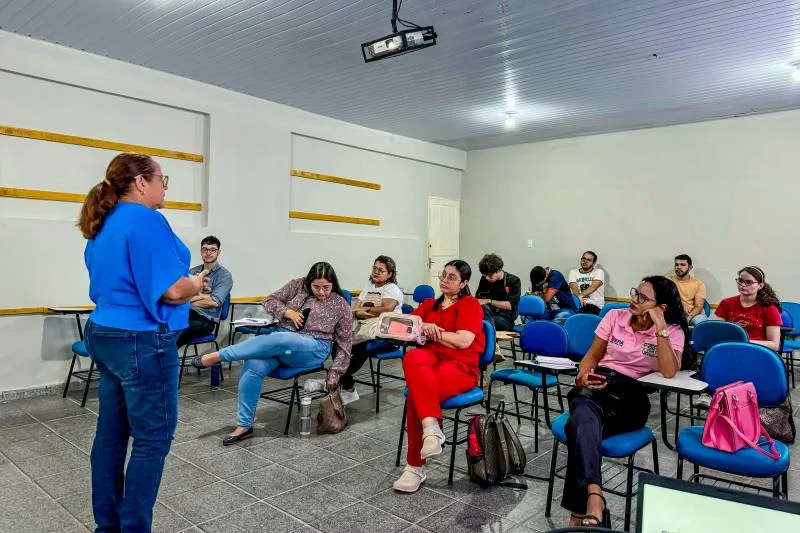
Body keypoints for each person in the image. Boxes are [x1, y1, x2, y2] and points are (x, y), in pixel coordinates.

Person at [79, 153, 206, 532]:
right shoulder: (147, 220)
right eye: (161, 178)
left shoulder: (104, 222)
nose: (164, 185)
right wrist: (196, 284)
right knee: (152, 440)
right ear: (140, 183)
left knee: (111, 435)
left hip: (104, 332)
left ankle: (108, 526)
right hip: (141, 338)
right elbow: (170, 290)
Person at [563, 276, 687, 527]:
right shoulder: (614, 317)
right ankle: (594, 497)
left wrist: (660, 327)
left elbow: (669, 371)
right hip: (598, 387)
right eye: (635, 293)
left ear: (660, 307)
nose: (634, 300)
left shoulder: (672, 330)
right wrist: (583, 375)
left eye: (643, 298)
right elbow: (591, 356)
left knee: (578, 426)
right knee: (583, 410)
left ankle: (582, 510)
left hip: (632, 397)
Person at [190, 262, 352, 444]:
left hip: (313, 348)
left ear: (333, 284)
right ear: (308, 282)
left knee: (281, 339)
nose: (321, 292)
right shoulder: (297, 285)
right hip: (282, 343)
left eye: (326, 288)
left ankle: (219, 356)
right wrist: (288, 312)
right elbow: (269, 300)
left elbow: (345, 345)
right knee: (253, 364)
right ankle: (244, 425)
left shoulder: (340, 304)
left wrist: (334, 374)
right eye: (316, 287)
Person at [393, 260, 486, 493]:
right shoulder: (428, 305)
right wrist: (423, 326)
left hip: (460, 366)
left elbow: (463, 341)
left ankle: (414, 467)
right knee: (412, 359)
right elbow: (403, 327)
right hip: (429, 360)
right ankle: (431, 427)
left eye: (452, 277)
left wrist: (434, 332)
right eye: (443, 275)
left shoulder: (470, 304)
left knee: (416, 393)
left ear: (464, 282)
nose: (444, 280)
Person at [305, 255, 403, 405]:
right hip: (366, 330)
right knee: (339, 343)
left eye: (381, 270)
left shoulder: (392, 289)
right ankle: (348, 388)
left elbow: (387, 308)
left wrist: (365, 310)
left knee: (363, 348)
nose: (376, 272)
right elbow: (356, 309)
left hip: (387, 335)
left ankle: (332, 381)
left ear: (390, 274)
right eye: (374, 268)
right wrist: (361, 312)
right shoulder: (369, 287)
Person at [177, 235, 233, 347]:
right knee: (161, 327)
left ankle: (166, 363)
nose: (208, 253)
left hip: (205, 319)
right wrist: (202, 297)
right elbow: (181, 296)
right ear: (201, 251)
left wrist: (190, 299)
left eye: (212, 250)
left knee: (175, 333)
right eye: (205, 249)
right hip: (185, 313)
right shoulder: (192, 272)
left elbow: (214, 302)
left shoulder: (224, 276)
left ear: (218, 252)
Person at [714, 266, 782, 351]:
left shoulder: (769, 309)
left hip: (756, 351)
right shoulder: (726, 303)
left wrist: (744, 341)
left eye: (749, 282)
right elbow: (717, 333)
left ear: (760, 286)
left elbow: (774, 345)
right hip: (730, 349)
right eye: (740, 281)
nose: (742, 285)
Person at [476, 253, 522, 331]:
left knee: (486, 323)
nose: (487, 278)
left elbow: (511, 306)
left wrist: (489, 301)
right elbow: (479, 298)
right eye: (485, 275)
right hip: (487, 313)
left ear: (499, 269)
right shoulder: (484, 279)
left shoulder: (514, 281)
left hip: (505, 319)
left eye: (490, 275)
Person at [666, 254, 707, 326]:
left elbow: (698, 307)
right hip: (673, 312)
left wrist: (688, 318)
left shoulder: (698, 284)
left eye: (682, 265)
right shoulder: (668, 280)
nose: (679, 267)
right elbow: (664, 297)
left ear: (690, 267)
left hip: (692, 313)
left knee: (700, 322)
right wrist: (680, 303)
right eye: (676, 264)